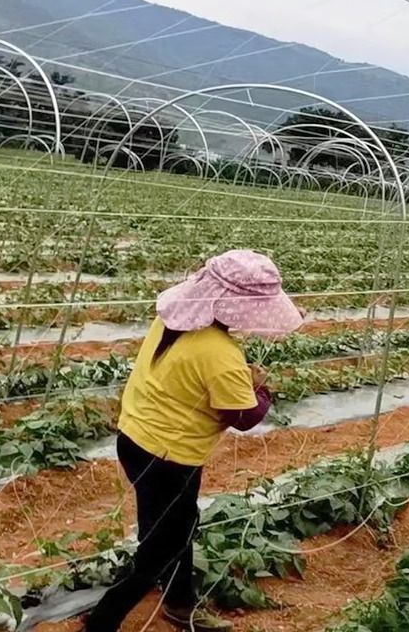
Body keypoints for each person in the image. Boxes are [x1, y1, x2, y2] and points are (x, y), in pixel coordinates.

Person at [85, 250, 304, 632]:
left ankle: (180, 603)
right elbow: (244, 416)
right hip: (170, 458)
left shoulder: (174, 319)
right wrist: (260, 388)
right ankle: (103, 620)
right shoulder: (221, 355)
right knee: (162, 545)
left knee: (175, 525)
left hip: (136, 438)